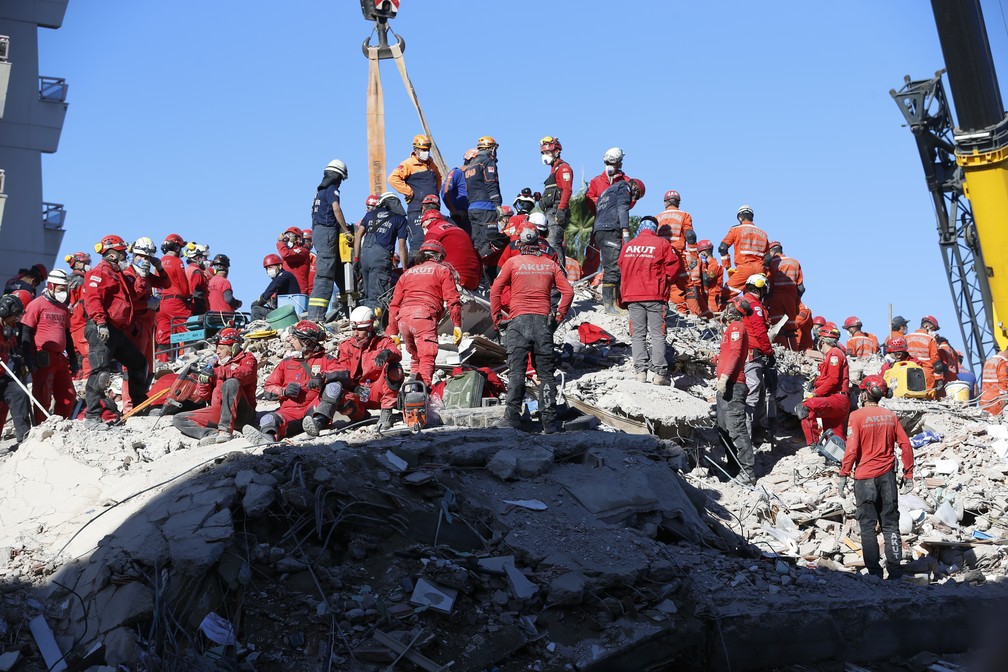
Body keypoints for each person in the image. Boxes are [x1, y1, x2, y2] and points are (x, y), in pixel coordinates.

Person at [490, 228, 574, 434]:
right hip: (543, 324)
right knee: (545, 375)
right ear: (539, 244)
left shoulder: (513, 263)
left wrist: (497, 318)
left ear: (520, 244)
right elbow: (568, 292)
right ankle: (549, 423)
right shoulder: (550, 264)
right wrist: (559, 317)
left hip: (518, 323)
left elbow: (495, 290)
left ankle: (511, 419)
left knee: (517, 372)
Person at [838, 375, 914, 580]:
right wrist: (908, 474)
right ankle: (896, 571)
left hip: (864, 480)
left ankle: (874, 573)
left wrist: (844, 474)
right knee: (890, 524)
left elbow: (852, 449)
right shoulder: (890, 416)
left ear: (864, 393)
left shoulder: (856, 416)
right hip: (887, 478)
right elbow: (906, 446)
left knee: (867, 527)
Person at [82, 234, 148, 428]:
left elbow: (134, 294)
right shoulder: (99, 273)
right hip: (101, 327)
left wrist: (142, 277)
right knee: (100, 373)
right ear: (111, 254)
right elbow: (93, 299)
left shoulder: (116, 274)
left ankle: (139, 406)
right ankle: (92, 417)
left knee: (139, 363)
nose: (124, 257)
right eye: (121, 253)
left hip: (116, 330)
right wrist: (101, 322)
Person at [244, 320, 344, 444]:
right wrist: (284, 391)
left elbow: (343, 373)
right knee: (268, 418)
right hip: (289, 411)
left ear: (305, 341)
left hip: (313, 407)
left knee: (334, 387)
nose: (290, 341)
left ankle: (317, 423)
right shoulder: (286, 363)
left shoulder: (326, 359)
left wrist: (322, 378)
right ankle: (267, 438)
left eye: (294, 338)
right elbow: (268, 388)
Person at [386, 240, 462, 386]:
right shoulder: (442, 270)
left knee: (416, 358)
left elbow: (394, 305)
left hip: (404, 319)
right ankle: (421, 393)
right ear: (439, 256)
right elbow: (453, 300)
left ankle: (412, 390)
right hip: (424, 317)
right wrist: (457, 325)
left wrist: (393, 332)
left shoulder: (407, 273)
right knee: (427, 358)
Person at [617, 217, 680, 385]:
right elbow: (674, 268)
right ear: (655, 229)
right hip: (655, 295)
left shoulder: (628, 246)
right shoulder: (662, 244)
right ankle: (659, 374)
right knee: (657, 334)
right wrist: (663, 281)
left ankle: (640, 372)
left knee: (637, 334)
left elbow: (620, 267)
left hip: (632, 296)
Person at [173, 328, 258, 445]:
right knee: (179, 419)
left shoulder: (247, 359)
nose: (217, 352)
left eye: (221, 348)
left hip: (242, 414)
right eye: (217, 348)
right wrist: (204, 382)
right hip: (220, 412)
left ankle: (225, 431)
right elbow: (203, 396)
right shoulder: (215, 365)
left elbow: (244, 374)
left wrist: (217, 371)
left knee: (231, 382)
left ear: (234, 348)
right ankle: (211, 434)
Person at [333, 306, 405, 431]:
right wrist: (353, 387)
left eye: (360, 329)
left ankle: (386, 413)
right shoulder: (346, 346)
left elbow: (396, 352)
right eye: (354, 329)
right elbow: (341, 372)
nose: (356, 333)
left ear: (370, 328)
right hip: (357, 391)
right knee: (333, 389)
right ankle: (359, 416)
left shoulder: (383, 342)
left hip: (377, 390)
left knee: (395, 370)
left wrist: (387, 353)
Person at [21, 270, 77, 422]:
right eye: (60, 289)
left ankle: (60, 425)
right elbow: (26, 332)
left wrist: (73, 358)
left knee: (68, 395)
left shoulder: (63, 308)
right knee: (43, 395)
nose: (63, 292)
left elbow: (67, 335)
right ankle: (40, 428)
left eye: (65, 289)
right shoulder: (36, 305)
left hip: (60, 358)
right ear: (51, 286)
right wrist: (28, 357)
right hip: (43, 356)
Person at [121, 238, 170, 413]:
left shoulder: (147, 273)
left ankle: (141, 401)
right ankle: (128, 405)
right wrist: (147, 303)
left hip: (148, 326)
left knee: (148, 366)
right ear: (134, 255)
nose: (145, 260)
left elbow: (166, 284)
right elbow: (132, 299)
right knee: (133, 365)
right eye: (142, 256)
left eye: (149, 257)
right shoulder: (128, 274)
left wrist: (160, 268)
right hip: (136, 326)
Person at [714, 297, 756, 485]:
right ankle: (733, 466)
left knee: (736, 428)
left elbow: (736, 353)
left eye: (729, 306)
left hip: (733, 385)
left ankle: (748, 472)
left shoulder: (737, 327)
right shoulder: (731, 329)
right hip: (726, 385)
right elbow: (728, 353)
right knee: (724, 428)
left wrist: (725, 377)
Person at [307, 159, 352, 322]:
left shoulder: (319, 192)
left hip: (318, 231)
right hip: (327, 232)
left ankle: (348, 311)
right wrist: (346, 230)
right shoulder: (332, 189)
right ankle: (316, 316)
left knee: (337, 273)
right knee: (325, 275)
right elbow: (336, 209)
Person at [594, 171, 642, 314]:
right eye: (636, 195)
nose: (634, 198)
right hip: (610, 230)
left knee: (610, 264)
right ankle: (610, 306)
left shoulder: (607, 192)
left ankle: (613, 303)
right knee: (613, 267)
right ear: (635, 188)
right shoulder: (624, 188)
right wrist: (626, 233)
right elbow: (623, 209)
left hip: (599, 230)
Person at [795, 322, 850, 446]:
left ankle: (813, 445)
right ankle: (840, 460)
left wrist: (814, 394)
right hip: (837, 399)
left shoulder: (834, 354)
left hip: (836, 398)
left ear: (822, 340)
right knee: (835, 438)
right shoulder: (833, 355)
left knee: (805, 407)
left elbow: (833, 380)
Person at [353, 191, 410, 309]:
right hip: (380, 260)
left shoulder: (370, 215)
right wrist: (405, 269)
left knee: (368, 293)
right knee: (379, 297)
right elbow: (402, 246)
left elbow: (358, 236)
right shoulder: (400, 220)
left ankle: (366, 320)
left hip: (365, 257)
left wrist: (357, 258)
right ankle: (376, 325)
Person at [389, 134, 443, 252]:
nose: (426, 152)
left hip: (434, 209)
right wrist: (409, 192)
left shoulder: (431, 164)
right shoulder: (408, 164)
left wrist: (435, 193)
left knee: (436, 239)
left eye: (427, 150)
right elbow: (393, 178)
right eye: (423, 150)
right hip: (417, 209)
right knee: (418, 242)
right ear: (415, 149)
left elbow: (438, 178)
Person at [741, 273, 775, 443]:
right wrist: (770, 352)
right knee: (752, 397)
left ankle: (756, 433)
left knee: (758, 394)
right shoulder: (755, 306)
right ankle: (745, 441)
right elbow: (760, 332)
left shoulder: (743, 302)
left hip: (746, 354)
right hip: (752, 355)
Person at [420, 208, 482, 291]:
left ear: (431, 220)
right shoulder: (460, 230)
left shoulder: (433, 231)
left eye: (424, 226)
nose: (424, 230)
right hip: (474, 281)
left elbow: (425, 258)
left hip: (454, 279)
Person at [0, 293, 31, 443]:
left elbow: (13, 348)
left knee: (18, 393)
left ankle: (24, 440)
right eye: (15, 316)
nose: (17, 320)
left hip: (2, 375)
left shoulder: (10, 328)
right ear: (4, 311)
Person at [539, 136, 574, 269]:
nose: (545, 155)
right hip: (550, 211)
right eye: (543, 153)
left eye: (547, 152)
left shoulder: (564, 168)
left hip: (556, 211)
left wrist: (561, 210)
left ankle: (559, 275)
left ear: (557, 152)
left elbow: (567, 190)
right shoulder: (554, 170)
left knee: (554, 243)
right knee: (548, 243)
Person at [464, 136, 504, 255]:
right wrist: (497, 205)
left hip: (472, 209)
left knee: (476, 244)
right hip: (486, 208)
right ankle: (488, 272)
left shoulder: (470, 166)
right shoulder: (487, 162)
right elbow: (491, 184)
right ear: (491, 149)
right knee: (489, 243)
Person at [155, 233, 192, 362]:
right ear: (176, 247)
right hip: (176, 302)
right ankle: (189, 360)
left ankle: (162, 363)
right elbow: (184, 286)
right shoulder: (177, 262)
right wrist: (188, 297)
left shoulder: (159, 263)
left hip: (161, 303)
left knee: (163, 336)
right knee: (189, 329)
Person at [719, 205, 769, 295]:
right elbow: (768, 257)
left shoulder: (735, 230)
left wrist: (728, 267)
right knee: (753, 299)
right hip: (760, 270)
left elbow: (722, 248)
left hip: (744, 268)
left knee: (724, 295)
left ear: (740, 217)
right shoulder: (763, 233)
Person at [766, 241, 804, 347]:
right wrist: (795, 301)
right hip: (791, 299)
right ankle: (794, 353)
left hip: (777, 298)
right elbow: (801, 288)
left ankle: (783, 351)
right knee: (791, 329)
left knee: (778, 327)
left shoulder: (773, 263)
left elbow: (769, 285)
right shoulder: (795, 262)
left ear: (771, 251)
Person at [65, 252, 92, 379]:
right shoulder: (81, 281)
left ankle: (74, 378)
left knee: (73, 355)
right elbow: (85, 303)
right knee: (88, 354)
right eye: (85, 263)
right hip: (80, 322)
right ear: (77, 263)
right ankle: (87, 378)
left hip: (68, 323)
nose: (88, 265)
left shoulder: (67, 280)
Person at [251, 254, 300, 320]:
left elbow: (272, 287)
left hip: (289, 312)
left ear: (279, 266)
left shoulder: (285, 275)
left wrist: (261, 300)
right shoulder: (280, 278)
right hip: (284, 310)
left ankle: (257, 327)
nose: (268, 270)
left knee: (256, 310)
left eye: (270, 267)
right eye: (266, 268)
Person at [905, 315, 944, 398]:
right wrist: (939, 379)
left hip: (907, 373)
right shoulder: (930, 339)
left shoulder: (906, 337)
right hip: (926, 375)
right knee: (927, 401)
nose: (934, 332)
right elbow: (937, 364)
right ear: (926, 326)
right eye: (933, 329)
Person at [442, 148, 476, 235]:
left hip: (474, 218)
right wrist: (454, 210)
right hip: (461, 218)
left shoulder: (476, 177)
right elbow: (445, 190)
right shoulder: (457, 172)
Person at [276, 226, 311, 294]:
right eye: (286, 235)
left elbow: (286, 255)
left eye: (290, 235)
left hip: (298, 292)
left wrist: (280, 242)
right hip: (286, 291)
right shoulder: (286, 251)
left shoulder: (303, 251)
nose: (287, 237)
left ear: (298, 239)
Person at [697, 239, 725, 316]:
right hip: (706, 298)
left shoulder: (714, 265)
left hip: (712, 300)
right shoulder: (708, 265)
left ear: (703, 253)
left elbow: (706, 279)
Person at [183, 243, 210, 317]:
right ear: (198, 258)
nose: (207, 261)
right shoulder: (197, 272)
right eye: (205, 258)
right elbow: (197, 293)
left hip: (190, 309)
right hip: (197, 312)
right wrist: (202, 312)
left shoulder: (187, 270)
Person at [980, 348, 1008, 415]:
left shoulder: (988, 361)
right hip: (997, 402)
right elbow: (1005, 384)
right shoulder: (1003, 362)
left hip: (984, 401)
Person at [302, 228, 317, 296]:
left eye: (306, 241)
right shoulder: (294, 256)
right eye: (303, 240)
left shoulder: (314, 258)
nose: (304, 243)